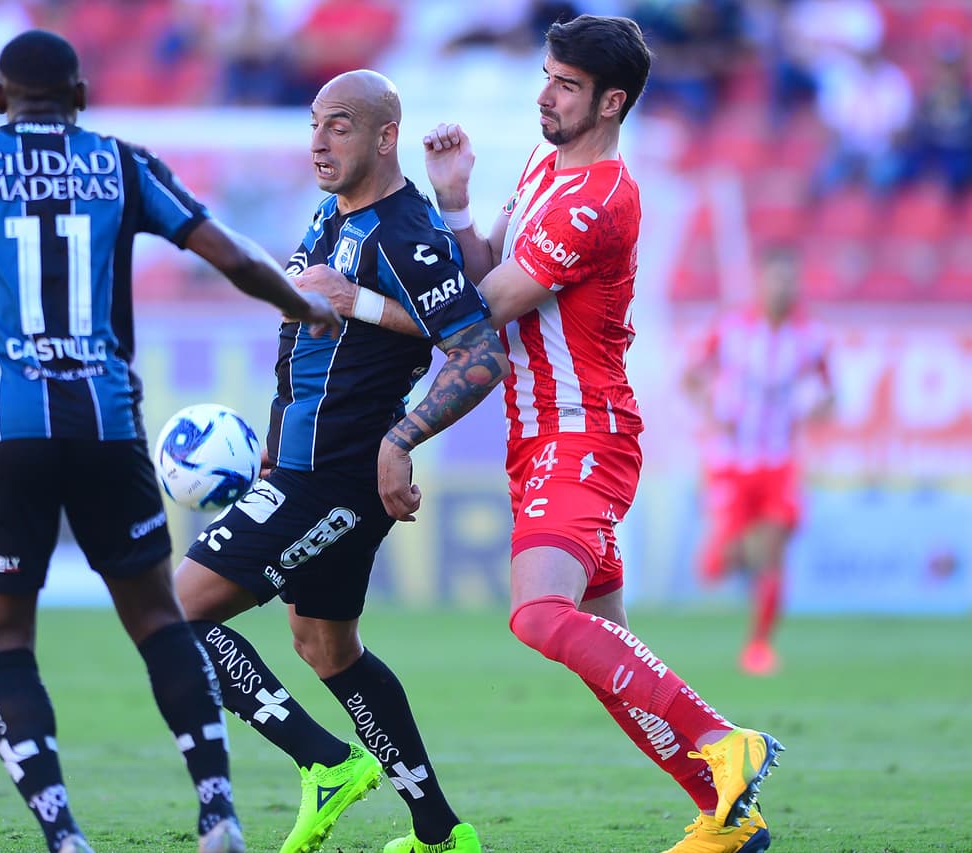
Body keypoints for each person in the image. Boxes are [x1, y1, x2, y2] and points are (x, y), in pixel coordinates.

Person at [0, 29, 340, 853]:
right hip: (107, 423)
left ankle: (65, 834)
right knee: (157, 618)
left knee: (3, 641)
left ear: (0, 99)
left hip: (4, 430)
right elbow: (229, 255)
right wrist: (302, 301)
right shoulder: (122, 163)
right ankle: (219, 810)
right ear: (80, 96)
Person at [296, 16, 785, 853]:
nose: (544, 94)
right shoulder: (545, 166)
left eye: (563, 84)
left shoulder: (604, 197)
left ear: (611, 102)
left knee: (537, 614)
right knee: (612, 654)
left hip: (579, 433)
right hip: (541, 435)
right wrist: (453, 198)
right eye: (547, 75)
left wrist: (363, 303)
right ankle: (723, 812)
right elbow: (484, 264)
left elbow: (480, 310)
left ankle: (721, 738)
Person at [173, 69, 508, 853]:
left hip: (333, 479)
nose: (319, 142)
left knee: (171, 613)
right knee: (327, 646)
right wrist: (269, 442)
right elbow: (308, 348)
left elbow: (477, 351)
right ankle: (439, 833)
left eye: (341, 126)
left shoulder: (405, 235)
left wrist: (401, 440)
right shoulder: (329, 216)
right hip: (295, 469)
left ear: (385, 137)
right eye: (314, 125)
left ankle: (324, 762)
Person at [682, 246, 834, 676]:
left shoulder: (811, 337)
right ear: (760, 282)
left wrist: (821, 408)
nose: (784, 288)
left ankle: (759, 647)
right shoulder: (731, 330)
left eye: (790, 280)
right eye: (776, 279)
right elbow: (691, 377)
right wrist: (713, 414)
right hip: (731, 460)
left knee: (772, 547)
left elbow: (830, 388)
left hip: (779, 460)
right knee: (723, 561)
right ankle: (722, 554)